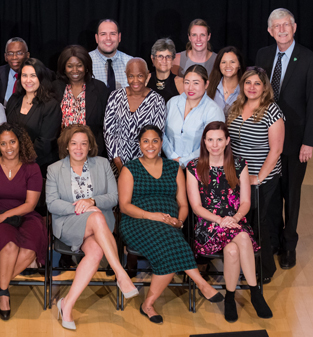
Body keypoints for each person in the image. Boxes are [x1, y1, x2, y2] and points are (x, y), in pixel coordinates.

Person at [118, 125, 223, 324]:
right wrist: (152, 216)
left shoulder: (173, 167)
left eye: (155, 141)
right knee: (174, 242)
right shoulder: (130, 168)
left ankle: (148, 303)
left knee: (170, 242)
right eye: (145, 141)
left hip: (169, 223)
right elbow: (124, 206)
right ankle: (201, 283)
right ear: (139, 144)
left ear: (161, 143)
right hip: (137, 221)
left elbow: (183, 204)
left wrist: (180, 221)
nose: (150, 145)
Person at [46, 125, 138, 330]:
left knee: (96, 252)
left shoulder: (103, 164)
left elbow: (114, 197)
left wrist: (92, 201)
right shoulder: (54, 169)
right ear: (67, 146)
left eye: (83, 144)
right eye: (74, 143)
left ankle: (66, 304)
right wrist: (79, 206)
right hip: (69, 222)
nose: (79, 148)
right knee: (95, 218)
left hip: (98, 224)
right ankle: (120, 273)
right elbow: (51, 204)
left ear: (90, 147)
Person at [255, 8, 313, 270]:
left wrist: (309, 142)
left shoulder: (309, 59)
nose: (282, 30)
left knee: (291, 194)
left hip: (295, 141)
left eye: (286, 25)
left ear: (294, 28)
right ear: (270, 31)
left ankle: (289, 245)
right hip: (266, 139)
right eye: (276, 26)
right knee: (270, 192)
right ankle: (272, 239)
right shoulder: (262, 54)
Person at [186, 121, 272, 322]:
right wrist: (220, 220)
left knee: (233, 250)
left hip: (235, 221)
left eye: (219, 140)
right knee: (242, 237)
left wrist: (233, 218)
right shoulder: (193, 167)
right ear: (204, 142)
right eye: (210, 140)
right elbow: (196, 207)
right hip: (208, 227)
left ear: (227, 141)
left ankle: (230, 298)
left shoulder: (240, 164)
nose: (214, 145)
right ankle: (255, 291)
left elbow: (245, 202)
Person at [0, 123, 47, 321]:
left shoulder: (32, 168)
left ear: (20, 142)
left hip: (25, 215)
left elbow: (30, 204)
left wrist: (2, 217)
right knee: (8, 246)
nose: (8, 147)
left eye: (12, 142)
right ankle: (5, 295)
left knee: (29, 250)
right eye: (3, 143)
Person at [226, 67, 285, 282]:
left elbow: (276, 150)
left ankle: (265, 269)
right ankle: (243, 264)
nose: (252, 87)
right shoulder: (235, 107)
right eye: (248, 82)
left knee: (258, 223)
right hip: (238, 177)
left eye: (257, 83)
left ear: (264, 87)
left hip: (263, 178)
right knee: (243, 222)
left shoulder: (272, 111)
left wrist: (257, 178)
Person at [103, 58, 166, 172]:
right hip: (117, 163)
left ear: (147, 75)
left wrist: (145, 165)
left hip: (146, 164)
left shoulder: (157, 101)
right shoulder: (115, 96)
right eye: (131, 76)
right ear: (125, 75)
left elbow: (157, 136)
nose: (135, 80)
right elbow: (109, 132)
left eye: (140, 76)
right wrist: (118, 162)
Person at [51, 45, 109, 157]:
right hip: (60, 154)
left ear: (86, 66)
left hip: (91, 153)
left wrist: (97, 150)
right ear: (64, 68)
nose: (75, 70)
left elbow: (105, 125)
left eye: (79, 65)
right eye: (69, 66)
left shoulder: (99, 88)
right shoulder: (55, 88)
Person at [163, 65, 225, 167]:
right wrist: (172, 156)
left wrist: (184, 161)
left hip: (199, 166)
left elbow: (213, 143)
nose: (190, 87)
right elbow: (162, 132)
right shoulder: (172, 103)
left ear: (206, 84)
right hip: (170, 163)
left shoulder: (213, 110)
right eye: (187, 82)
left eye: (196, 83)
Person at [5, 58, 61, 173]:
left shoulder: (51, 105)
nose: (28, 80)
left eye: (33, 76)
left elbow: (45, 143)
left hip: (39, 166)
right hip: (11, 162)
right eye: (24, 75)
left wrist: (21, 161)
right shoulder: (14, 99)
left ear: (41, 77)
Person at [90, 19, 133, 93]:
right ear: (96, 38)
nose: (108, 38)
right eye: (103, 34)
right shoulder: (85, 62)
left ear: (119, 37)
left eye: (113, 34)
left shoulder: (131, 62)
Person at [0, 37, 30, 104]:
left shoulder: (38, 74)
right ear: (5, 57)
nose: (14, 57)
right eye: (10, 54)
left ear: (27, 55)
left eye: (19, 53)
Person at [206, 47, 245, 112]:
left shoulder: (246, 89)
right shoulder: (208, 88)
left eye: (232, 62)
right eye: (224, 62)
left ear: (239, 65)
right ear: (219, 65)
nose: (228, 66)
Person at [147, 38, 182, 103]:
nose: (164, 60)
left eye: (168, 56)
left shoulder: (181, 83)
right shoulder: (145, 80)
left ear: (173, 60)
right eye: (160, 56)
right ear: (153, 59)